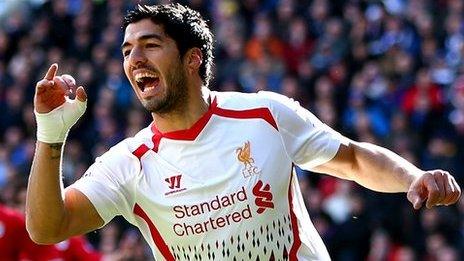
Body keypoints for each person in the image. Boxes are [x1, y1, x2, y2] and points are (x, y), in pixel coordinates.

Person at [26, 4, 461, 260]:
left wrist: (412, 177)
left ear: (193, 58)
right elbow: (47, 228)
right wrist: (50, 135)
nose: (134, 58)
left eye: (150, 45)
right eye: (126, 50)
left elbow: (350, 158)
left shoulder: (265, 113)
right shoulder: (128, 164)